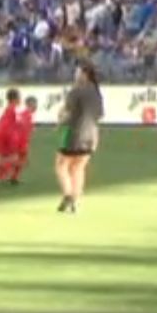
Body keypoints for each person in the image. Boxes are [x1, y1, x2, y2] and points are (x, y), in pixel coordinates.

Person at [53, 61, 101, 213]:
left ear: (84, 74)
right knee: (79, 167)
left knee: (61, 165)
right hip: (91, 135)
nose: (75, 75)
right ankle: (75, 200)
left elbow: (68, 112)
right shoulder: (96, 93)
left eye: (78, 72)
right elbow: (99, 115)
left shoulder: (76, 91)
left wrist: (59, 123)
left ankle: (67, 194)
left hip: (74, 133)